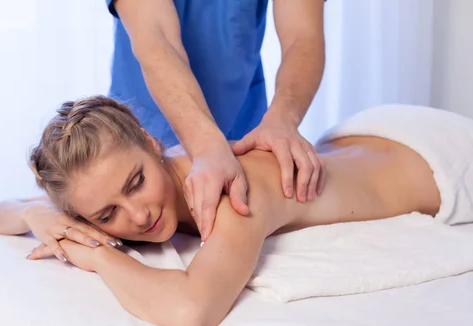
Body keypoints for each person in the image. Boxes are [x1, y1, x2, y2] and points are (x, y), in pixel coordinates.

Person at [0, 95, 473, 326]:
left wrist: (93, 254)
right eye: (107, 215)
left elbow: (193, 309)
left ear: (149, 140)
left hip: (445, 162)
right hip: (356, 136)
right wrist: (39, 218)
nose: (137, 216)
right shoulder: (100, 193)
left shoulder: (231, 189)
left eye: (136, 182)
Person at [105, 0, 328, 242]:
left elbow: (302, 36)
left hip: (244, 124)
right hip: (148, 129)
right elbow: (157, 38)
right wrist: (206, 148)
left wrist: (283, 119)